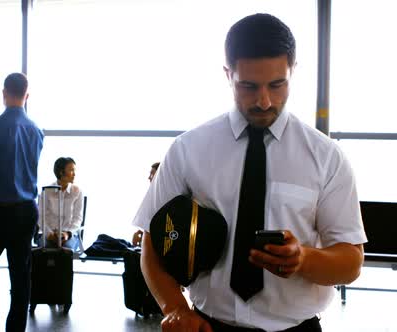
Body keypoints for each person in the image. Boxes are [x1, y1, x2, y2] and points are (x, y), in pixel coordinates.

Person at [133, 13, 366, 332]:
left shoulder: (327, 157)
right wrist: (175, 307)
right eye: (248, 86)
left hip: (296, 329)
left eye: (277, 84)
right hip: (208, 326)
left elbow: (351, 262)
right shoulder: (188, 149)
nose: (264, 100)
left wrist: (302, 259)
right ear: (228, 74)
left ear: (292, 71)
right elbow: (151, 240)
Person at [0, 72, 44, 332]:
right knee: (20, 274)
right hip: (26, 211)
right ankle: (15, 329)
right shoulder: (36, 130)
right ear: (27, 95)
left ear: (3, 94)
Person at [37, 157, 84, 251]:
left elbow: (77, 218)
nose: (74, 174)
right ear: (61, 172)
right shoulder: (46, 191)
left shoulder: (77, 191)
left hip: (69, 235)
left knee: (66, 249)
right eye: (71, 170)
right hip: (49, 234)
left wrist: (67, 234)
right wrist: (49, 234)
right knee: (46, 248)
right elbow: (41, 217)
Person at [131, 162, 160, 247]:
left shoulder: (164, 198)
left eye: (152, 174)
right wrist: (140, 232)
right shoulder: (154, 196)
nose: (148, 178)